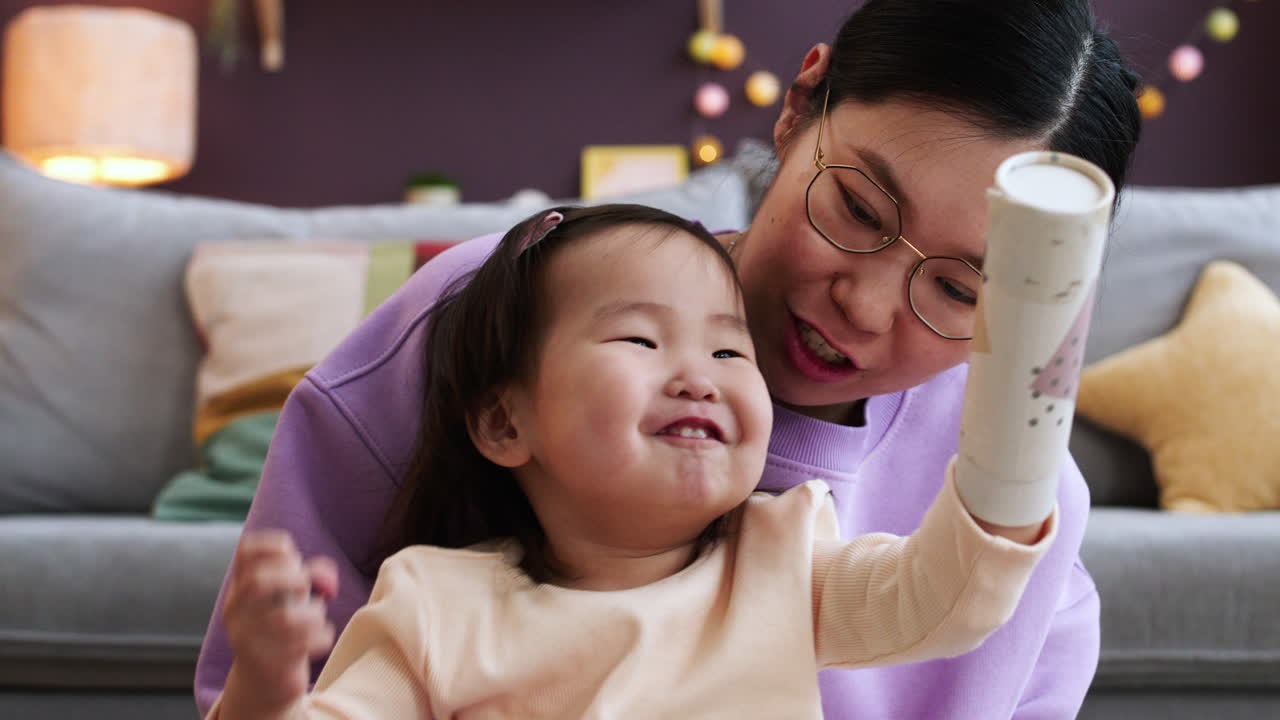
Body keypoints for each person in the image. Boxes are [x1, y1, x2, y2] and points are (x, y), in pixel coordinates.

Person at [195, 0, 1142, 717]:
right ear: (801, 104)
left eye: (960, 292)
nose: (863, 301)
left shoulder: (995, 513)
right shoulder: (499, 315)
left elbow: (956, 599)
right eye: (856, 208)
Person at [210, 205, 1055, 719]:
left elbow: (947, 604)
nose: (698, 374)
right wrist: (270, 681)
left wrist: (1017, 431)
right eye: (641, 339)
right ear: (506, 421)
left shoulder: (789, 559)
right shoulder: (435, 607)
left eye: (732, 354)